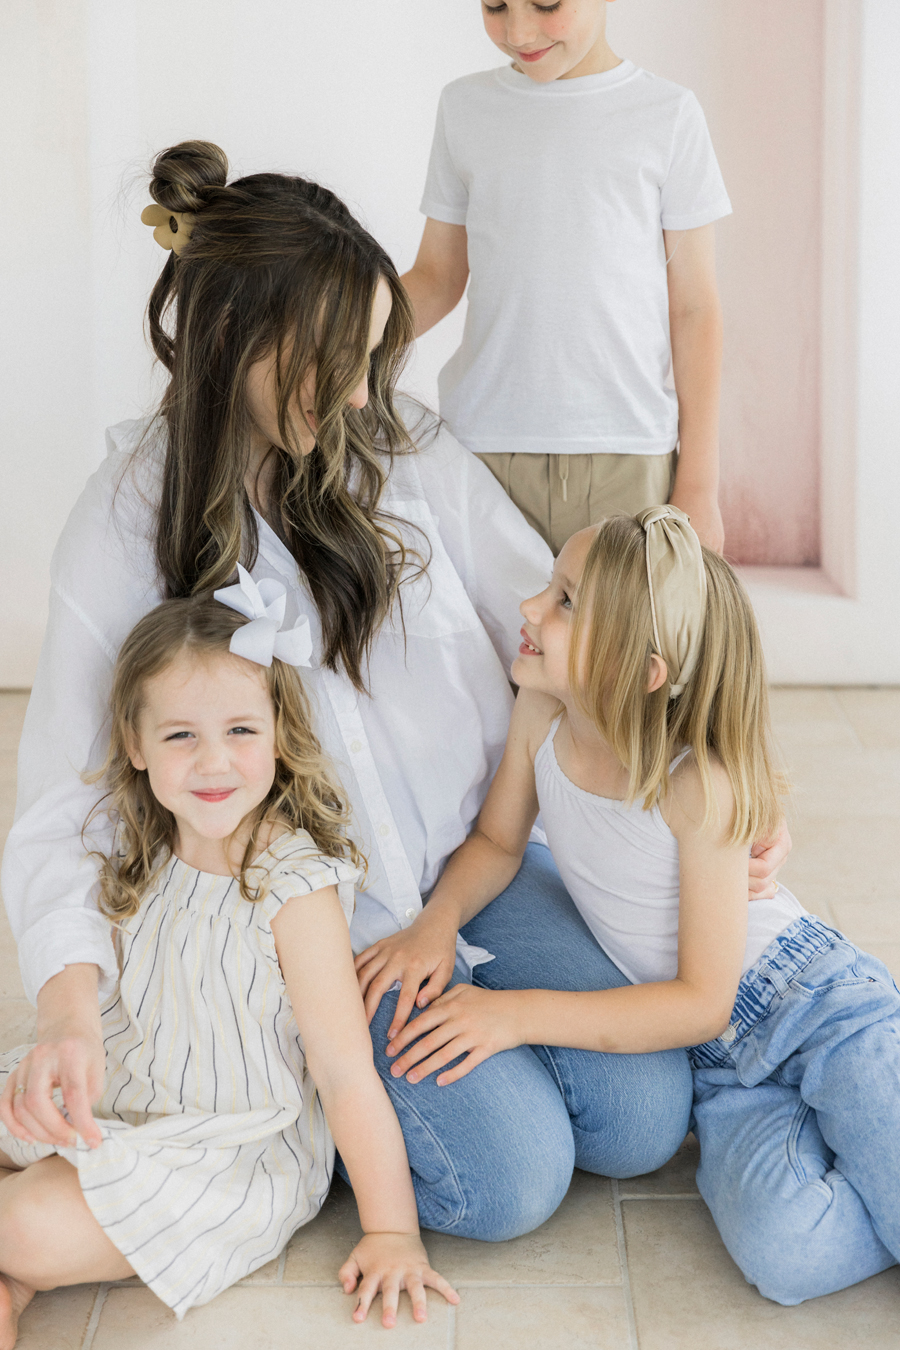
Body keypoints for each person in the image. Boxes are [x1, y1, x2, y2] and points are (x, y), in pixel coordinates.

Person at [4, 139, 770, 1253]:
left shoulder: (397, 449)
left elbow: (578, 625)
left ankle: (374, 1082)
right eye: (335, 361)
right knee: (512, 1182)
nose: (367, 393)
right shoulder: (128, 516)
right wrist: (70, 1005)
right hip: (314, 930)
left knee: (644, 1118)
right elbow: (58, 804)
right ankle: (305, 1096)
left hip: (471, 868)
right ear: (231, 343)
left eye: (375, 355)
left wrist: (717, 759)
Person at [358, 506, 900, 1305]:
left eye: (566, 602)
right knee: (783, 1257)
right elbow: (502, 845)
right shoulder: (542, 715)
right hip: (726, 1074)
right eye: (550, 588)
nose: (530, 610)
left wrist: (512, 1017)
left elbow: (701, 1002)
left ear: (641, 670)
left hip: (813, 1008)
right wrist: (434, 927)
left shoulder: (694, 785)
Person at [0, 587, 459, 1339]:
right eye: (180, 736)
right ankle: (17, 1279)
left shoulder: (291, 882)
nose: (213, 761)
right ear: (135, 743)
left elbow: (345, 1073)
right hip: (125, 1094)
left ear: (279, 735)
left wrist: (392, 1233)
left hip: (225, 1152)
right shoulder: (137, 850)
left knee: (26, 1223)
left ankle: (18, 1259)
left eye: (241, 729)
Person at [401, 0, 732, 555]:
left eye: (546, 3)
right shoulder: (465, 107)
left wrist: (699, 482)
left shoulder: (668, 114)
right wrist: (336, 333)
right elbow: (437, 275)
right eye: (495, 6)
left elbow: (695, 307)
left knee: (620, 642)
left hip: (630, 456)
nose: (518, 30)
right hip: (484, 452)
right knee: (499, 641)